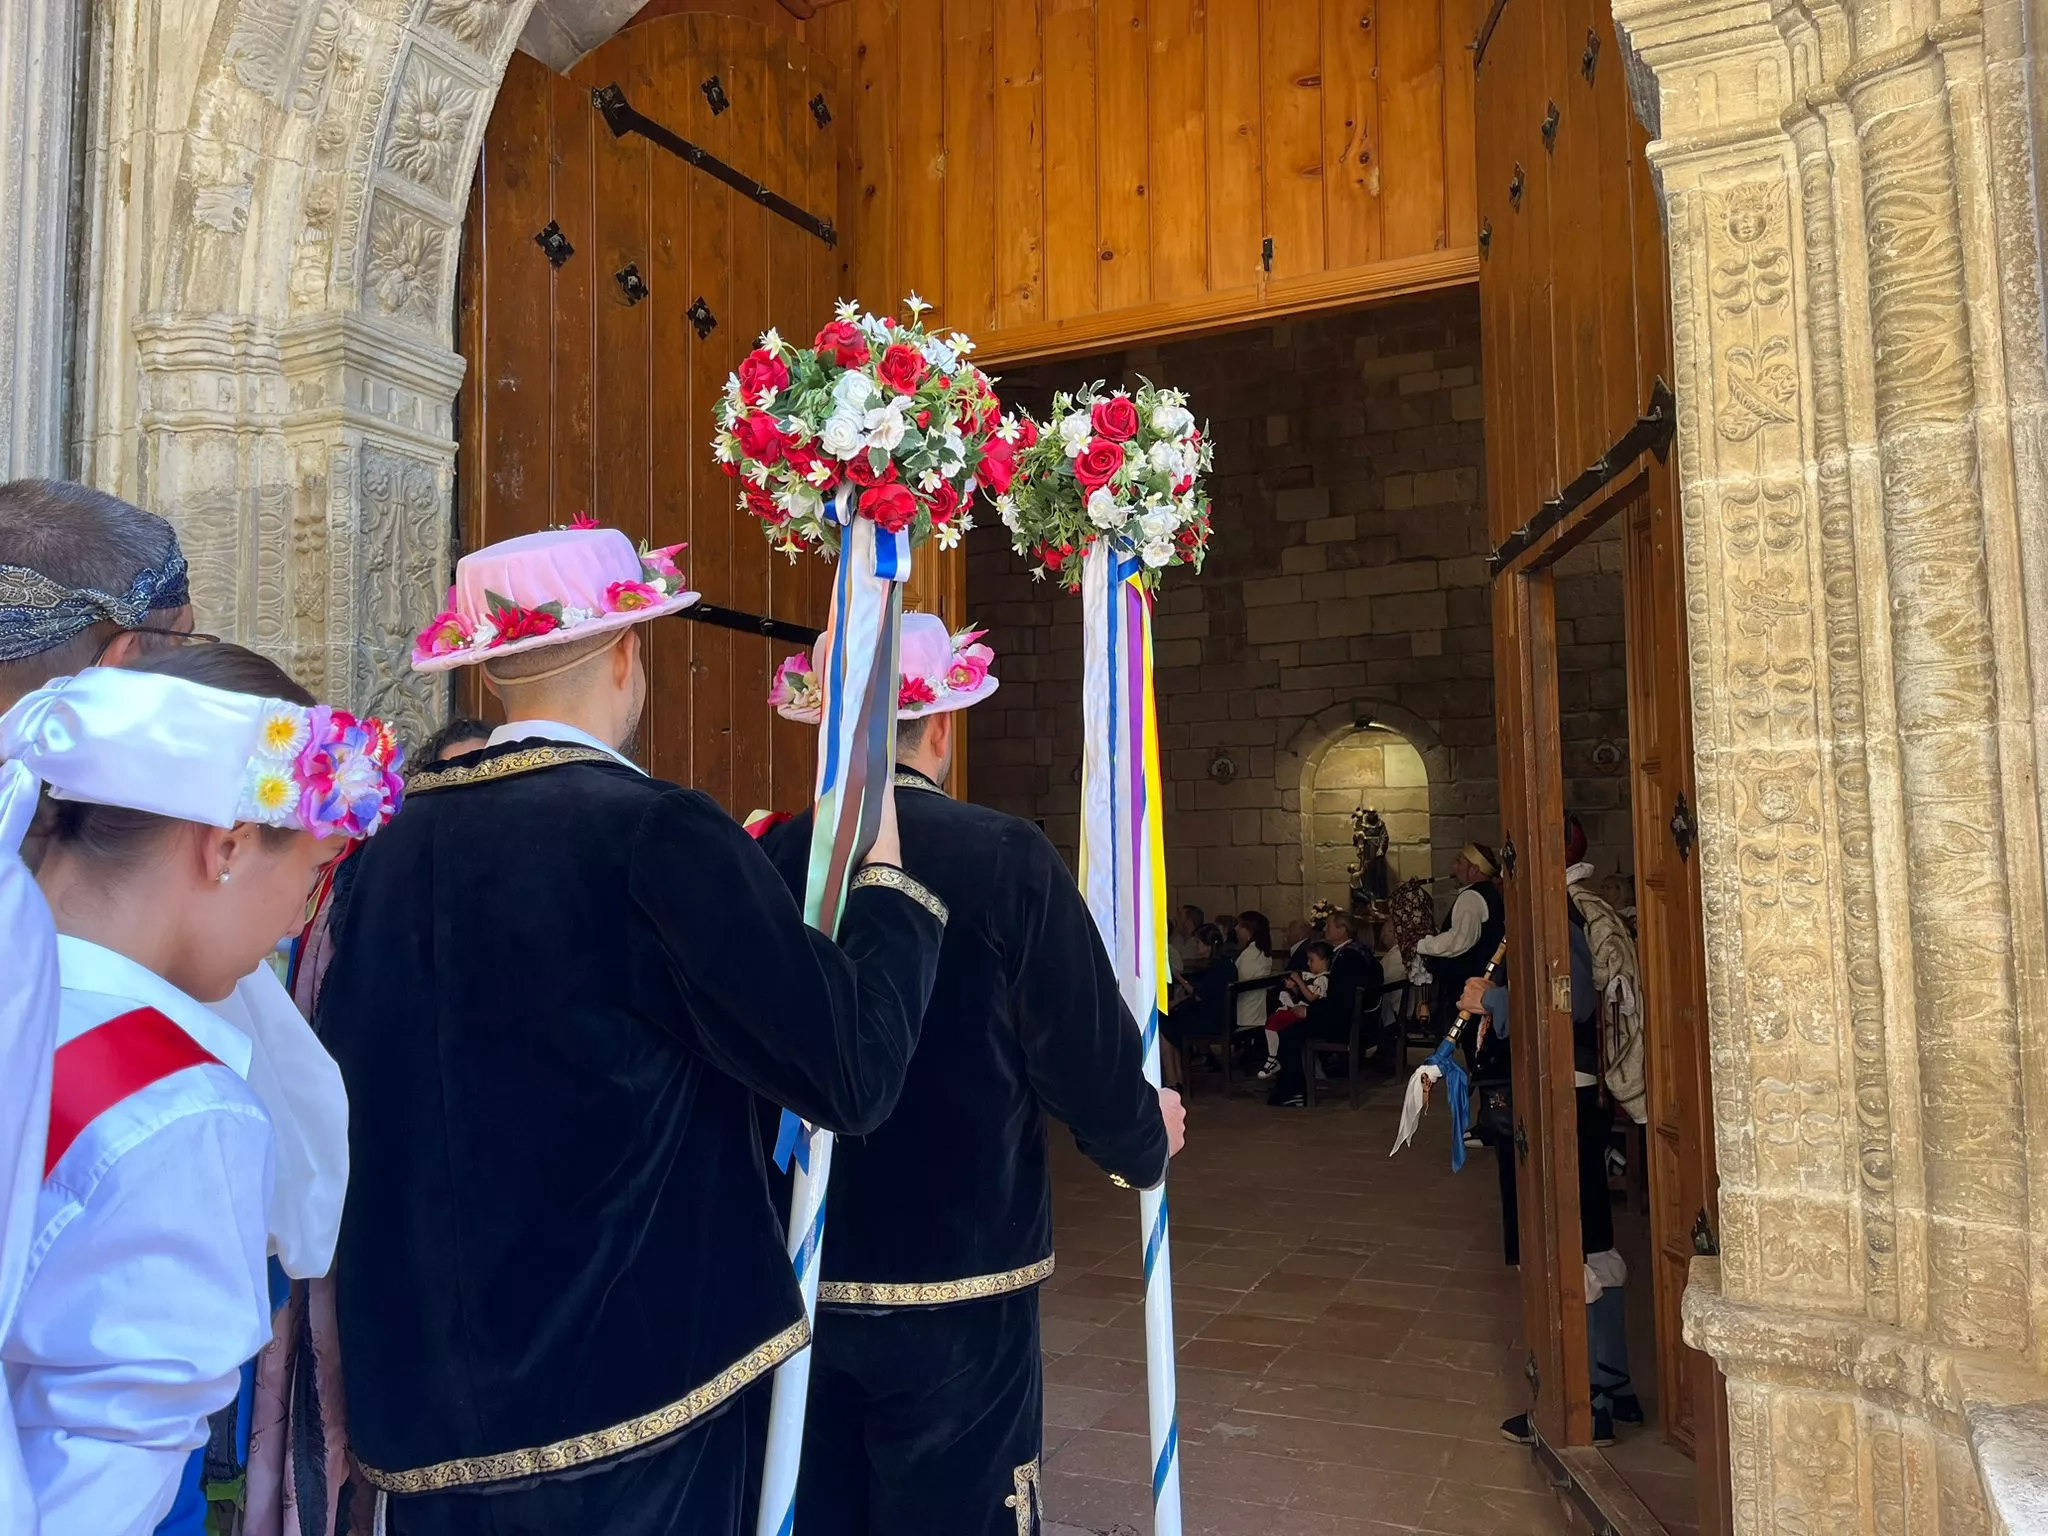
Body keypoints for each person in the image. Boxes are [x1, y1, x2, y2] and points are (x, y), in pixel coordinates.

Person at [317, 526, 945, 1536]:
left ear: (486, 664)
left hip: (425, 1396)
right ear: (625, 653)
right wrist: (880, 881)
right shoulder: (651, 829)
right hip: (627, 1389)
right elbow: (848, 1072)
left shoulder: (379, 846)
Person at [757, 614, 1181, 1535]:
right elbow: (1081, 1051)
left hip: (798, 1261)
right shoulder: (1001, 854)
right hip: (962, 1275)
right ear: (941, 725)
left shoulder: (766, 860)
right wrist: (1142, 1139)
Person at [0, 480, 366, 1530]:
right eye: (315, 869)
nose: (304, 907)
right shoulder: (178, 1110)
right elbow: (103, 1468)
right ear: (229, 843)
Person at [1462, 920, 1640, 1446]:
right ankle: (1615, 1386)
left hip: (1562, 1094)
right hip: (1573, 1092)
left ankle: (1586, 1407)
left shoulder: (1554, 906)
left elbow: (1573, 998)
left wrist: (1492, 999)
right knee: (1593, 1243)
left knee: (1565, 1246)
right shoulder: (1574, 904)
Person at [1266, 912, 1384, 1108]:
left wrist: (1309, 1012)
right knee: (1289, 1020)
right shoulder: (1354, 951)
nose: (1324, 929)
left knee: (1285, 1030)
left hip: (1346, 1024)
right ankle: (1295, 1085)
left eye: (1329, 925)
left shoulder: (1349, 957)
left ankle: (1293, 1091)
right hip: (1352, 1017)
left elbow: (1342, 1001)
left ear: (1342, 930)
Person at [1410, 844, 1506, 1060]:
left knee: (1476, 1045)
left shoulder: (1471, 897)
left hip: (1470, 983)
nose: (1454, 868)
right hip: (1484, 980)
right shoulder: (1488, 893)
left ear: (1475, 869)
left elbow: (1460, 940)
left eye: (1459, 862)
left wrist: (1424, 944)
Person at [1257, 941, 1331, 1081]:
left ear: (1324, 961)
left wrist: (1299, 980)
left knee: (1277, 1024)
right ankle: (1273, 1057)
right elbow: (1303, 994)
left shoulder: (1323, 980)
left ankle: (1274, 1058)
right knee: (1272, 1022)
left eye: (1312, 960)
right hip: (1301, 1009)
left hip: (1310, 1016)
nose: (1308, 964)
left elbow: (1311, 996)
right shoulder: (1313, 978)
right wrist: (1294, 987)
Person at [1231, 910, 1277, 1043]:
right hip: (1256, 1009)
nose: (1235, 929)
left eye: (1239, 925)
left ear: (1248, 930)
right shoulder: (1261, 952)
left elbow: (1239, 981)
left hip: (1245, 1012)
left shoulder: (1251, 954)